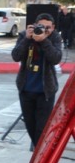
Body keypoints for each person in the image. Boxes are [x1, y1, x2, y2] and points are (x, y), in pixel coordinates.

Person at [11, 13, 62, 149]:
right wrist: (27, 39)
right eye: (41, 26)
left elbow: (56, 58)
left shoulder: (55, 37)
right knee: (30, 125)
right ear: (34, 25)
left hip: (45, 91)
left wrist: (44, 40)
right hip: (26, 89)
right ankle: (37, 148)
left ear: (53, 28)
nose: (44, 30)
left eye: (48, 27)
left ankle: (39, 153)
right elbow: (16, 56)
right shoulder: (25, 35)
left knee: (42, 127)